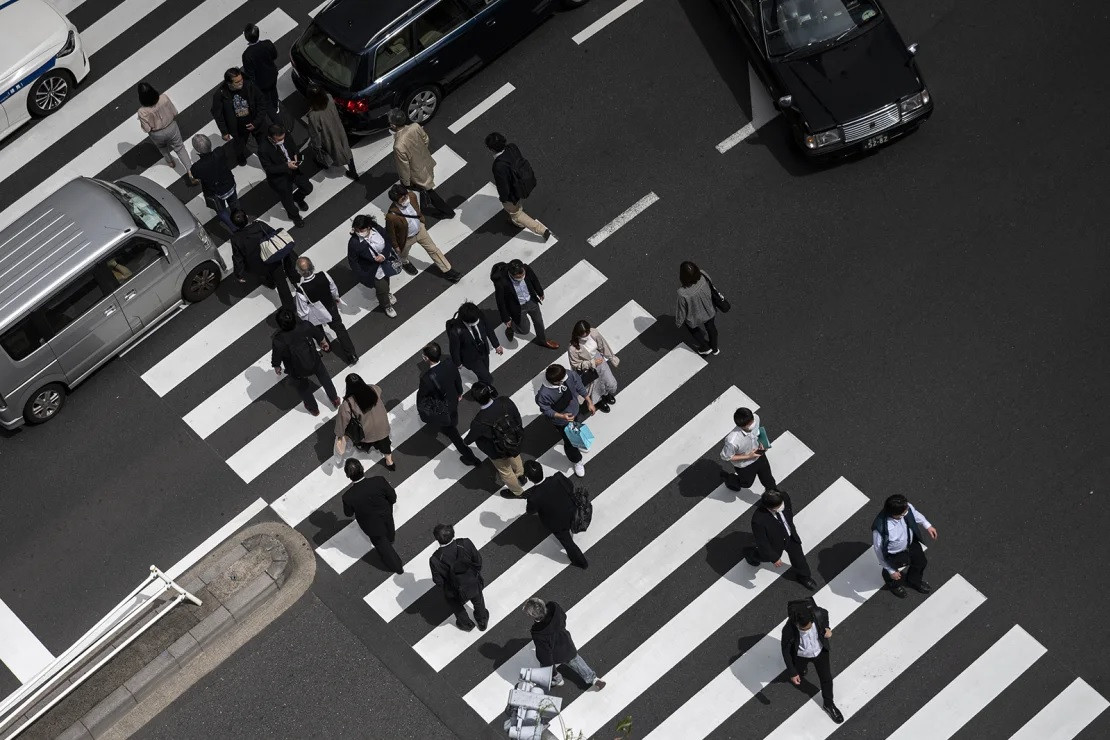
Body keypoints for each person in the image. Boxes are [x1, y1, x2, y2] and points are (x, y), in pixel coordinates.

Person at [417, 342, 481, 467]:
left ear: (426, 358)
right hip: (453, 398)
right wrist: (459, 392)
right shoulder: (449, 363)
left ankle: (471, 458)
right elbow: (457, 379)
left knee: (453, 435)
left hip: (442, 407)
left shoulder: (426, 378)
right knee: (453, 416)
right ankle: (451, 424)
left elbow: (422, 399)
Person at [781, 599, 844, 724]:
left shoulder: (818, 614)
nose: (806, 630)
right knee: (799, 671)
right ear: (796, 623)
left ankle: (829, 704)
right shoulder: (788, 629)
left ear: (811, 618)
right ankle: (800, 670)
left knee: (826, 679)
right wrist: (792, 672)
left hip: (820, 652)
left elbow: (825, 613)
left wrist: (827, 628)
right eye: (803, 629)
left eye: (809, 627)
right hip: (801, 656)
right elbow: (785, 651)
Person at [270, 307, 340, 416]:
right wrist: (324, 343)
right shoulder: (305, 326)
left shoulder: (279, 340)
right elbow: (319, 336)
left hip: (296, 370)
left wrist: (277, 366)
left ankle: (313, 408)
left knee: (303, 387)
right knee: (324, 378)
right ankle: (334, 399)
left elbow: (276, 356)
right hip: (314, 360)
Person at [523, 598, 605, 690]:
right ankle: (593, 679)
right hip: (566, 644)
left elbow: (545, 656)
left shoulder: (538, 632)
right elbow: (564, 617)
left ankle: (557, 680)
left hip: (554, 654)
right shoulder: (554, 608)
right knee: (576, 661)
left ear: (533, 615)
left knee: (545, 665)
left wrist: (553, 672)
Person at [385, 184, 461, 282]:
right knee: (403, 254)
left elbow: (418, 210)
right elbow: (391, 233)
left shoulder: (412, 196)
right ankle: (404, 262)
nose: (406, 199)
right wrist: (396, 246)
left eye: (406, 196)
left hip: (420, 231)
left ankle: (448, 271)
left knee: (434, 250)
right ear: (396, 201)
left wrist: (422, 223)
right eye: (402, 199)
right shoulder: (391, 216)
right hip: (406, 239)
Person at [745, 490, 818, 591]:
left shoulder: (783, 497)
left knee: (799, 558)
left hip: (790, 536)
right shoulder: (758, 520)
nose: (782, 506)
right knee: (764, 556)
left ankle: (803, 576)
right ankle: (751, 555)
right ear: (769, 507)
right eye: (778, 506)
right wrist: (774, 557)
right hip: (774, 543)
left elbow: (788, 514)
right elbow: (762, 542)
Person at [389, 108, 454, 218]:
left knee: (428, 191)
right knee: (428, 189)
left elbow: (403, 167)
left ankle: (447, 212)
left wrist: (405, 183)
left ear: (394, 125)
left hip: (417, 172)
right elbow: (426, 139)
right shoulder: (415, 127)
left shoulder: (398, 146)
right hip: (426, 162)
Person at [485, 132, 551, 239]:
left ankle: (541, 230)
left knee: (516, 214)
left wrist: (503, 199)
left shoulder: (498, 166)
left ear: (491, 149)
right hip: (522, 183)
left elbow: (503, 187)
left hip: (512, 194)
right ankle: (517, 220)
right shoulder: (512, 147)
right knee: (517, 207)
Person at [342, 459, 402, 573]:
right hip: (386, 515)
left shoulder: (348, 497)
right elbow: (392, 497)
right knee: (389, 531)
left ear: (348, 475)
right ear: (362, 468)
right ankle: (390, 539)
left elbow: (348, 513)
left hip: (370, 525)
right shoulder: (378, 481)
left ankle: (397, 567)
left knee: (382, 546)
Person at [523, 462, 588, 568]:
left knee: (568, 543)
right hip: (572, 511)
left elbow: (530, 511)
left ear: (529, 478)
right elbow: (570, 486)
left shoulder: (533, 497)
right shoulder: (558, 478)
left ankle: (581, 563)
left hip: (557, 524)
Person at [872, 494, 938, 599]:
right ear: (894, 514)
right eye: (904, 513)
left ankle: (913, 581)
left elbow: (915, 514)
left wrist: (927, 525)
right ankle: (893, 584)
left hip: (911, 544)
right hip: (895, 554)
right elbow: (878, 550)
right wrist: (890, 570)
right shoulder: (881, 530)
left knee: (920, 563)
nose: (908, 511)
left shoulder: (905, 507)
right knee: (894, 574)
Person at [465, 382, 525, 497]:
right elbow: (517, 417)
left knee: (506, 472)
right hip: (513, 440)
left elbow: (469, 440)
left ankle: (517, 492)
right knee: (516, 457)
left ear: (476, 400)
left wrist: (466, 442)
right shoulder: (505, 401)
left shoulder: (478, 422)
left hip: (496, 450)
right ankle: (520, 474)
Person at [294, 256, 357, 365]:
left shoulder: (301, 291)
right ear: (312, 266)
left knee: (318, 330)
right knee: (340, 329)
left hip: (316, 314)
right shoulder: (324, 275)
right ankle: (351, 354)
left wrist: (307, 322)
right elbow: (333, 289)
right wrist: (336, 298)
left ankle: (325, 345)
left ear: (300, 272)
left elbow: (302, 312)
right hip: (330, 307)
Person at [535, 364, 595, 478]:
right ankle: (576, 460)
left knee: (577, 428)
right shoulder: (543, 394)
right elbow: (546, 410)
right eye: (562, 379)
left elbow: (579, 386)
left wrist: (589, 401)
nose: (566, 378)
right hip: (561, 422)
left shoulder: (569, 375)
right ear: (556, 381)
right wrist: (562, 417)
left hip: (575, 411)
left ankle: (578, 442)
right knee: (569, 442)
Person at [229, 209, 296, 309]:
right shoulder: (259, 225)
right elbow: (274, 234)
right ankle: (290, 307)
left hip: (256, 266)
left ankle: (270, 283)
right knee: (282, 285)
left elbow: (238, 258)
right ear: (246, 217)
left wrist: (239, 274)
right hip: (271, 259)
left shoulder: (235, 239)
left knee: (264, 275)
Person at [137, 82, 198, 186]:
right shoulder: (164, 98)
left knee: (162, 147)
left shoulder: (142, 112)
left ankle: (170, 161)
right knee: (179, 148)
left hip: (156, 133)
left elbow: (147, 129)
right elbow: (174, 112)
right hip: (171, 127)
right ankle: (190, 171)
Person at [429, 524, 488, 631]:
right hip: (472, 582)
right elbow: (478, 561)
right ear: (452, 533)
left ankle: (466, 624)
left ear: (436, 539)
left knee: (455, 604)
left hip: (455, 590)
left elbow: (438, 581)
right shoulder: (465, 543)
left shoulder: (435, 559)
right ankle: (482, 620)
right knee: (478, 600)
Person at [492, 259, 559, 349]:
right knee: (524, 330)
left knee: (539, 322)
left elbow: (534, 279)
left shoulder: (526, 268)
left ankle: (543, 341)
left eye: (523, 274)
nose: (522, 277)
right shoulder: (502, 282)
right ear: (511, 274)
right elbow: (500, 302)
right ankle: (511, 327)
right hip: (518, 307)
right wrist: (506, 319)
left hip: (531, 301)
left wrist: (540, 292)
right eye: (518, 277)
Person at [211, 67, 272, 166]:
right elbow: (218, 115)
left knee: (264, 143)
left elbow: (261, 103)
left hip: (255, 121)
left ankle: (267, 161)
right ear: (229, 83)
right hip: (238, 128)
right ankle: (240, 155)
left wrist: (256, 122)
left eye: (241, 80)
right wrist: (224, 131)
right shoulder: (220, 95)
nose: (241, 83)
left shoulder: (249, 85)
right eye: (237, 82)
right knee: (239, 145)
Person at [335, 374, 395, 469]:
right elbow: (379, 389)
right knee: (385, 446)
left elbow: (342, 424)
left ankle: (365, 446)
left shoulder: (348, 404)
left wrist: (339, 435)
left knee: (361, 440)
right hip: (383, 428)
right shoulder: (373, 389)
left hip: (367, 434)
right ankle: (390, 462)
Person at [259, 123, 313, 228]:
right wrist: (286, 166)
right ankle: (295, 216)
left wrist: (296, 156)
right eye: (279, 140)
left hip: (294, 168)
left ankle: (298, 198)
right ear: (271, 137)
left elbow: (293, 147)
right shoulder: (263, 149)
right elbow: (269, 169)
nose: (282, 140)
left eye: (283, 138)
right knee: (287, 200)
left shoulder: (286, 135)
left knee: (308, 187)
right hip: (280, 177)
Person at [347, 214, 399, 318]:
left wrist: (383, 255)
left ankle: (385, 293)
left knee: (386, 281)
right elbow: (353, 261)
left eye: (362, 230)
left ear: (369, 227)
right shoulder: (354, 243)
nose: (359, 233)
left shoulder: (377, 229)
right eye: (357, 230)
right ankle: (386, 304)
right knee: (381, 288)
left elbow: (388, 241)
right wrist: (362, 275)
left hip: (385, 263)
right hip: (372, 270)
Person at [720, 407, 778, 492]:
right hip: (745, 465)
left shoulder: (756, 418)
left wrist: (763, 442)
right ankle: (730, 478)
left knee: (769, 480)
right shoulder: (732, 441)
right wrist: (748, 456)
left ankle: (773, 497)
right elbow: (726, 457)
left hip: (760, 455)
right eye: (749, 423)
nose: (753, 423)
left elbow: (758, 431)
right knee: (747, 484)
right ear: (741, 426)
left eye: (752, 420)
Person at [567, 320, 619, 414]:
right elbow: (575, 365)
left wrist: (611, 356)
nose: (586, 335)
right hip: (588, 366)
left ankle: (606, 394)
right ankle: (599, 401)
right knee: (595, 387)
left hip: (599, 359)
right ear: (578, 334)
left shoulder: (594, 333)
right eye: (583, 334)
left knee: (610, 382)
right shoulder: (573, 348)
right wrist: (592, 363)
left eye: (587, 332)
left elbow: (603, 345)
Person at [190, 134, 239, 232]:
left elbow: (195, 176)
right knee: (234, 204)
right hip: (229, 184)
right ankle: (239, 220)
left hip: (215, 192)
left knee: (221, 210)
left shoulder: (197, 167)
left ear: (197, 150)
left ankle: (234, 228)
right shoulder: (220, 151)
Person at [306, 86, 357, 180]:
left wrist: (317, 146)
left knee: (326, 153)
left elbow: (315, 134)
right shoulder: (329, 98)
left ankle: (324, 165)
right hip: (338, 130)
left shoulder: (313, 115)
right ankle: (353, 172)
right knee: (346, 149)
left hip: (327, 136)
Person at [448, 301, 502, 390]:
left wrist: (496, 345)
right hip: (471, 358)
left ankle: (483, 384)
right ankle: (484, 388)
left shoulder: (478, 315)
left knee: (485, 370)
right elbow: (454, 349)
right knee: (487, 377)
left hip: (483, 349)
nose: (477, 322)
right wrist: (458, 363)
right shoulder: (456, 331)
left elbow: (488, 329)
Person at [675, 260, 718, 356]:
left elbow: (682, 310)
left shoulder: (682, 293)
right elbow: (711, 284)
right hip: (709, 309)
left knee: (692, 328)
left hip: (695, 316)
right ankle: (715, 348)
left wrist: (679, 322)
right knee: (711, 328)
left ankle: (705, 347)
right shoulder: (703, 275)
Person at [241, 23, 280, 111]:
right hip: (272, 74)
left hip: (260, 82)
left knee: (265, 97)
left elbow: (250, 74)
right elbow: (274, 55)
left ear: (246, 37)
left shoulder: (247, 55)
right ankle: (275, 106)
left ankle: (270, 110)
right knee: (273, 90)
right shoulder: (268, 43)